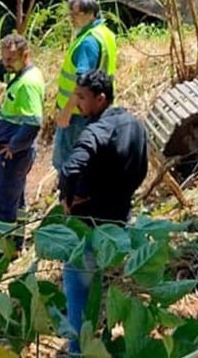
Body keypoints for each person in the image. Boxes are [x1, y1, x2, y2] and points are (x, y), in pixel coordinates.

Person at [58, 69, 148, 355]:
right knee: (95, 283)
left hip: (89, 224)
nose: (78, 103)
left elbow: (71, 167)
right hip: (117, 222)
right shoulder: (134, 125)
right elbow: (141, 170)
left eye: (82, 97)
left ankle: (77, 350)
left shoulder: (97, 129)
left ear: (100, 99)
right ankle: (92, 340)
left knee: (76, 288)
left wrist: (68, 198)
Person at [0, 34, 45, 275]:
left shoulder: (27, 84)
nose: (6, 63)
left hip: (14, 156)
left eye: (11, 59)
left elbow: (34, 122)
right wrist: (4, 64)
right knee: (17, 200)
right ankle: (16, 246)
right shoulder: (21, 74)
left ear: (25, 56)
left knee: (2, 205)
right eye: (4, 58)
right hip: (16, 153)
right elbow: (1, 75)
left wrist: (12, 147)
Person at [53, 0, 118, 176]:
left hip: (77, 113)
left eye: (77, 14)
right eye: (70, 14)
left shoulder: (88, 42)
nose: (72, 19)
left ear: (91, 14)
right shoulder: (105, 34)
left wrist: (66, 111)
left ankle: (67, 200)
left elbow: (82, 83)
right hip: (96, 108)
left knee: (67, 163)